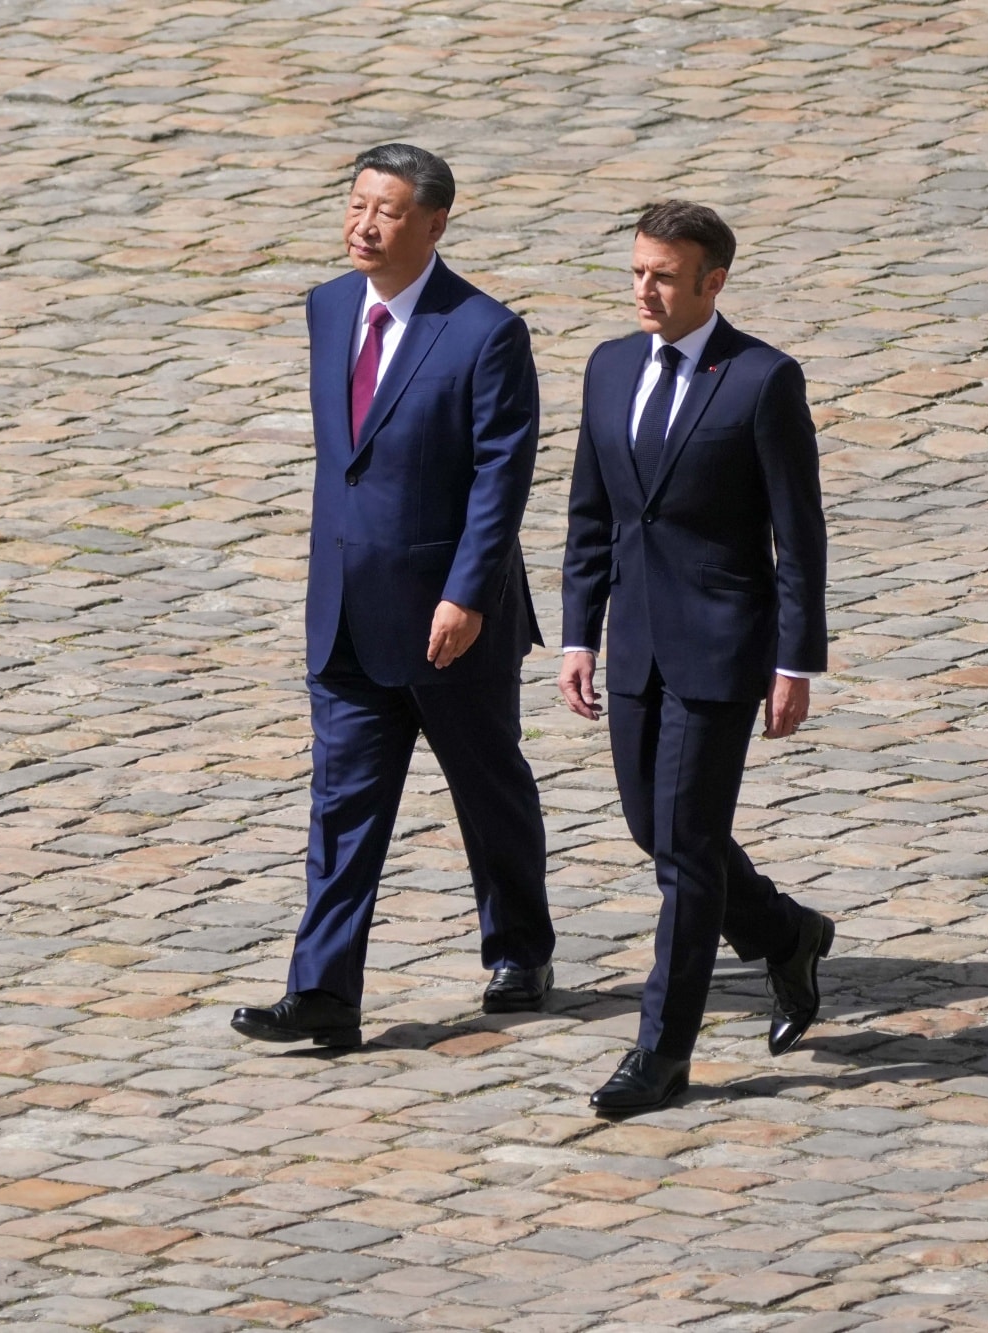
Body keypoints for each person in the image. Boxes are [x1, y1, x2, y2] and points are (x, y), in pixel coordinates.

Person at [232, 144, 555, 1050]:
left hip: (451, 618)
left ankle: (521, 948)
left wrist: (465, 593)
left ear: (435, 224)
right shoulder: (329, 308)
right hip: (344, 609)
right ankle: (325, 989)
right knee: (340, 806)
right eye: (356, 204)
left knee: (488, 791)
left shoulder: (485, 331)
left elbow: (502, 476)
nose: (364, 226)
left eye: (388, 211)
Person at [558, 200, 833, 1114]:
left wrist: (794, 663)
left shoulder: (760, 380)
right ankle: (789, 933)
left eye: (664, 276)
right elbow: (591, 516)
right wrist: (577, 633)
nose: (644, 288)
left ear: (712, 283)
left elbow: (800, 534)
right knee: (663, 832)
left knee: (683, 849)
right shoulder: (607, 369)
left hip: (721, 650)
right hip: (633, 646)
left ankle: (661, 1053)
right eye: (637, 270)